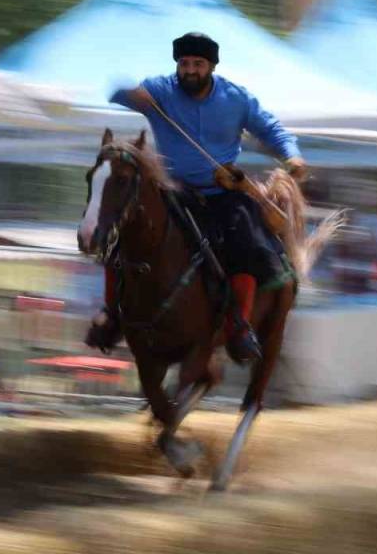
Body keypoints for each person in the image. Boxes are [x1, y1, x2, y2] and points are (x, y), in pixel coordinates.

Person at [84, 32, 309, 362]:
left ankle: (240, 326)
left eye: (198, 64)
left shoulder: (236, 98)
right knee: (120, 238)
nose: (190, 70)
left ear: (211, 67)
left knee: (246, 247)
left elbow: (271, 128)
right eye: (184, 63)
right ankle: (111, 314)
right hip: (174, 193)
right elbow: (119, 95)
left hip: (225, 194)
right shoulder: (160, 90)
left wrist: (292, 156)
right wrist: (131, 95)